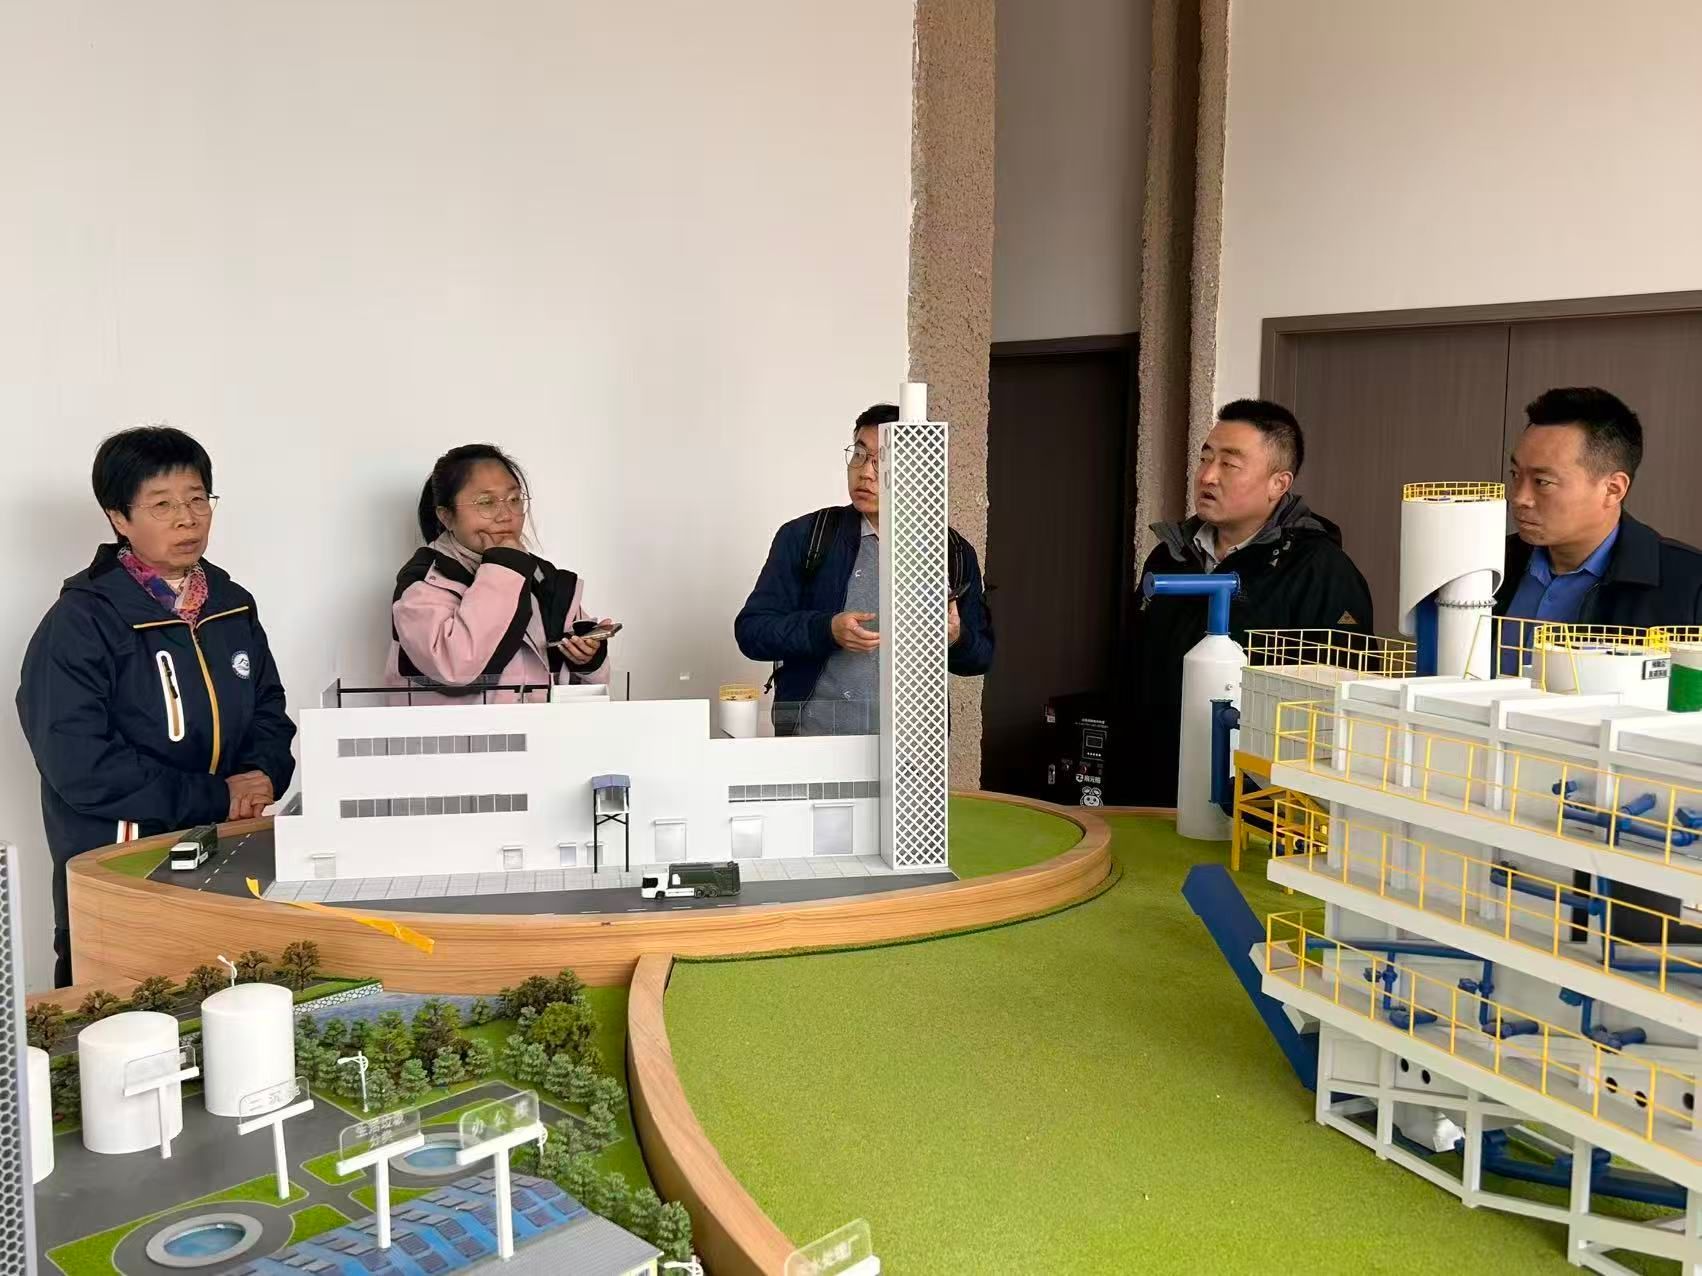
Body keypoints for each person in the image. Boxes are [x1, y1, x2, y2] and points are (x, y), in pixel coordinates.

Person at [17, 426, 296, 986]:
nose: (187, 519)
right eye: (162, 505)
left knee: (229, 1000)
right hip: (122, 866)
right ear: (119, 518)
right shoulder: (82, 621)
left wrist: (262, 775)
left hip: (228, 851)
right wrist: (217, 795)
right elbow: (80, 765)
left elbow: (268, 708)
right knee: (120, 1011)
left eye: (198, 499)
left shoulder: (231, 605)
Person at [1129, 399, 1373, 805]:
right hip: (1157, 787)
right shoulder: (1170, 556)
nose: (1208, 475)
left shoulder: (1320, 571)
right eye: (1205, 458)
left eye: (1229, 464)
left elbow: (1339, 709)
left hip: (1259, 802)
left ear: (1279, 483)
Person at [734, 403, 994, 735]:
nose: (866, 472)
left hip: (913, 750)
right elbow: (752, 632)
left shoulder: (951, 551)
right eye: (859, 455)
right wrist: (826, 630)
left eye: (881, 459)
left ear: (918, 469)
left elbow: (981, 658)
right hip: (815, 743)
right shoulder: (807, 536)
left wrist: (955, 638)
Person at [390, 444, 612, 701]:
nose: (506, 515)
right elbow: (456, 667)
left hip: (542, 727)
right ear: (446, 516)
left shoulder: (545, 578)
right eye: (486, 502)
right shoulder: (424, 582)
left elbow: (588, 691)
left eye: (514, 499)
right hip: (459, 730)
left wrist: (588, 660)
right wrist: (504, 567)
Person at [1495, 386, 1702, 628]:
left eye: (1542, 482)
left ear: (1613, 489)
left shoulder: (1692, 587)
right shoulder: (1486, 563)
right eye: (1515, 474)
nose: (1519, 498)